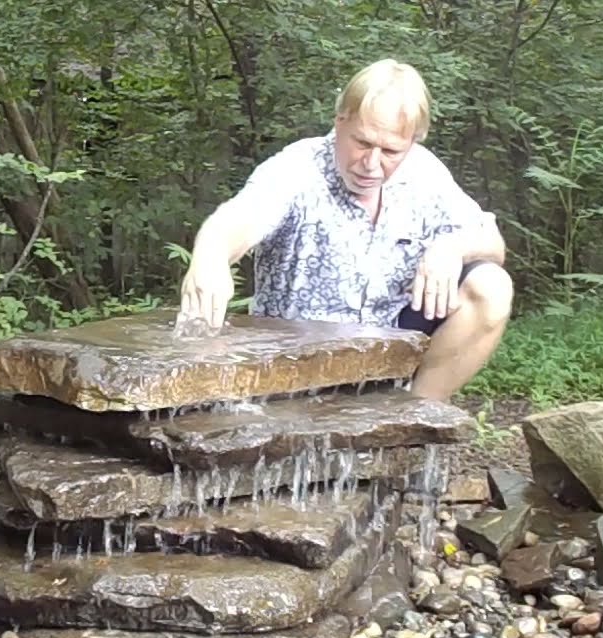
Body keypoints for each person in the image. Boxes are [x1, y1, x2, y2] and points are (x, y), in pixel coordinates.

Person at [176, 58, 513, 402]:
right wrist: (210, 258)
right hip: (298, 364)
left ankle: (417, 411)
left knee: (490, 287)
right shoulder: (296, 169)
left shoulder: (424, 172)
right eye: (362, 143)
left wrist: (451, 248)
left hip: (391, 345)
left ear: (412, 141)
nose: (371, 164)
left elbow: (492, 242)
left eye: (390, 151)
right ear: (340, 121)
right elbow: (236, 219)